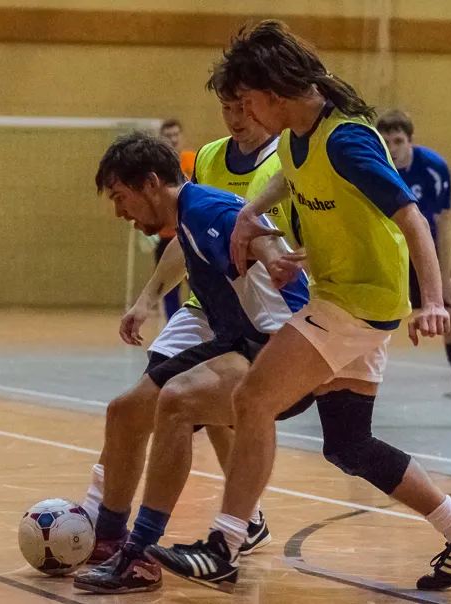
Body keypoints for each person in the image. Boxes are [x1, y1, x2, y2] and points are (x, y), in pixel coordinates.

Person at [147, 20, 451, 593]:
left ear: (273, 92)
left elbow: (412, 216)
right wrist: (250, 212)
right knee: (349, 444)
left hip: (359, 301)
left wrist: (432, 300)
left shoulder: (346, 140)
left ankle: (225, 544)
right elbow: (292, 178)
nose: (244, 114)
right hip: (343, 295)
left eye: (247, 101)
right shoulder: (298, 135)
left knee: (252, 397)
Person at [74, 131, 312, 593]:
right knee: (125, 412)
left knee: (178, 401)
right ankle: (109, 540)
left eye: (121, 198)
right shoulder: (187, 215)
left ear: (150, 183)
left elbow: (247, 228)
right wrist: (147, 299)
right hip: (238, 340)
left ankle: (140, 557)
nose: (120, 212)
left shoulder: (205, 209)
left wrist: (274, 258)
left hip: (282, 349)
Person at [376, 110, 451, 429]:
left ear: (410, 141)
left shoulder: (433, 168)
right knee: (366, 324)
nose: (392, 149)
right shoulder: (374, 167)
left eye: (398, 141)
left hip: (422, 253)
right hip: (387, 255)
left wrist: (444, 277)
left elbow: (444, 224)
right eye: (386, 142)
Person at [153, 119, 196, 319]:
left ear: (181, 136)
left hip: (191, 234)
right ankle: (173, 325)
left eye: (176, 134)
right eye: (168, 136)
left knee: (199, 285)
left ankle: (202, 326)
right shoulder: (154, 169)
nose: (173, 139)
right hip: (166, 237)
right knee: (168, 289)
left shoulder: (193, 160)